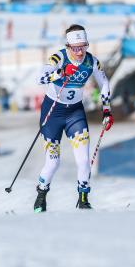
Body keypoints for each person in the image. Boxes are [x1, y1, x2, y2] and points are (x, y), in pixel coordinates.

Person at [33, 24, 113, 212]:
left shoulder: (92, 62)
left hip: (75, 113)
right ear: (68, 47)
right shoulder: (58, 58)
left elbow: (104, 83)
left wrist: (107, 109)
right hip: (52, 112)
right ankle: (41, 193)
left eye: (83, 47)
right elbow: (39, 78)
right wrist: (58, 73)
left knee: (84, 161)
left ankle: (83, 199)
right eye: (75, 48)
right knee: (53, 162)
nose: (79, 52)